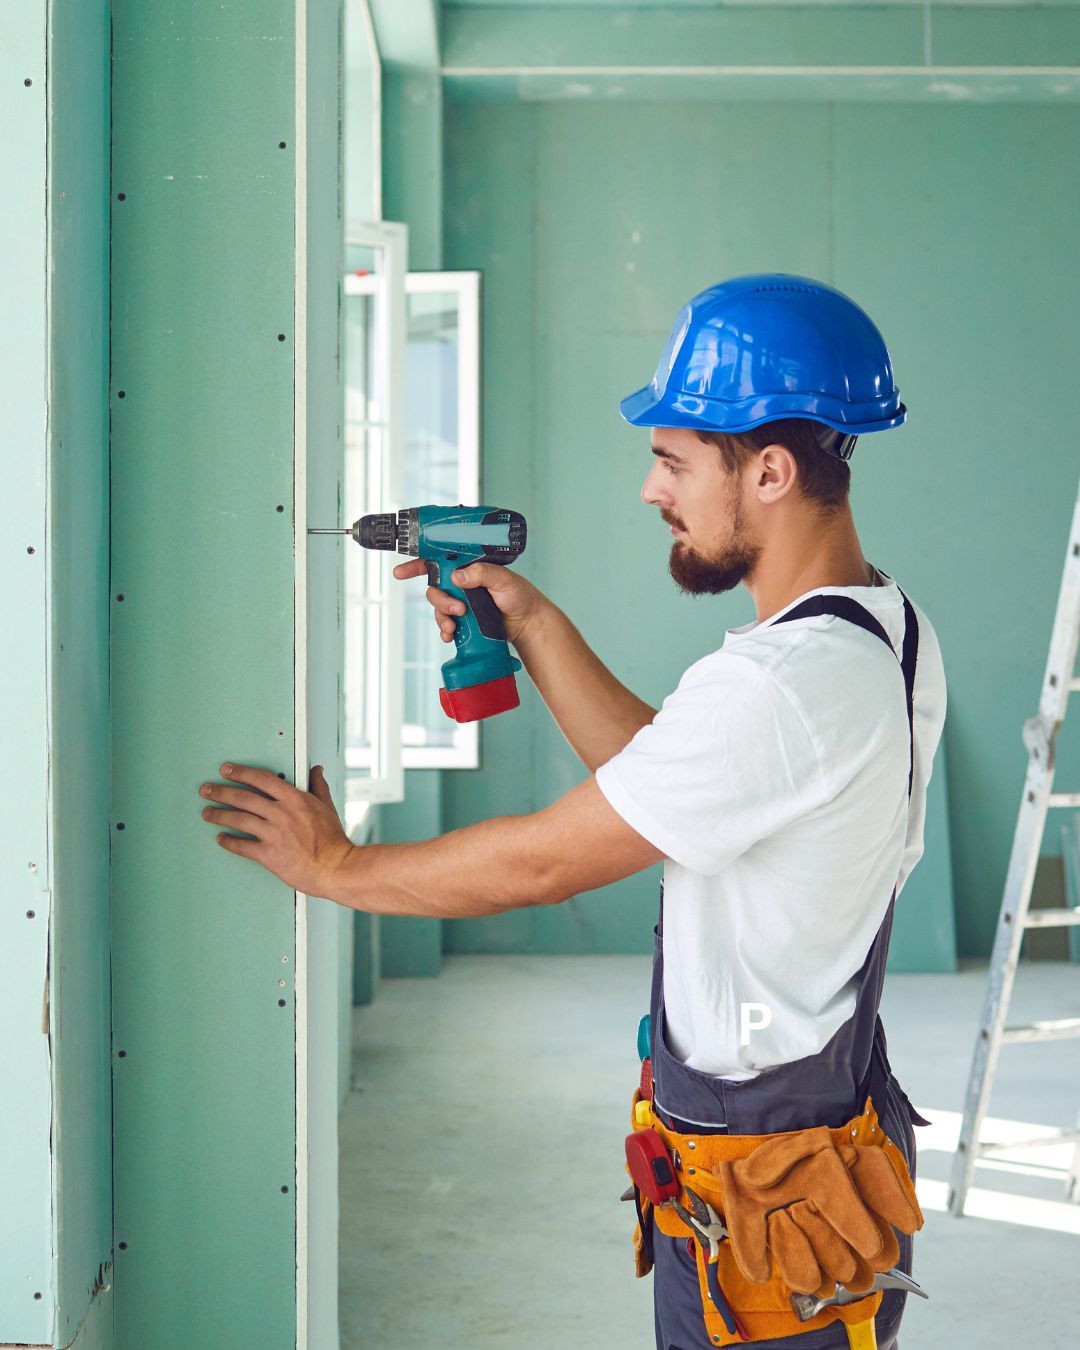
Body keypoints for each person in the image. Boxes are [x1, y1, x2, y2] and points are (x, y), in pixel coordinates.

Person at [199, 275, 945, 1350]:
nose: (653, 490)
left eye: (676, 461)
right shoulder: (888, 631)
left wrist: (338, 869)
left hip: (765, 1202)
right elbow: (677, 781)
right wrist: (533, 621)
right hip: (812, 1160)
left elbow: (544, 864)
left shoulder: (779, 685)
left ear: (771, 471)